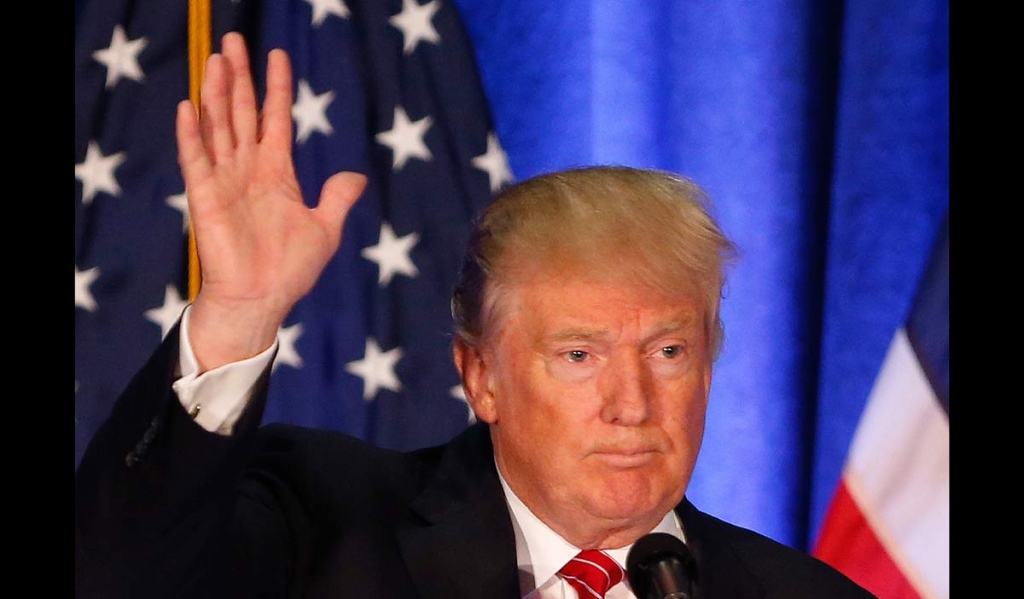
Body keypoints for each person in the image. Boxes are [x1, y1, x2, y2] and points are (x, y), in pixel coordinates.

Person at [74, 32, 875, 599]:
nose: (632, 403)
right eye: (579, 355)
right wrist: (238, 313)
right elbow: (118, 575)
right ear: (480, 375)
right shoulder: (325, 524)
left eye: (668, 350)